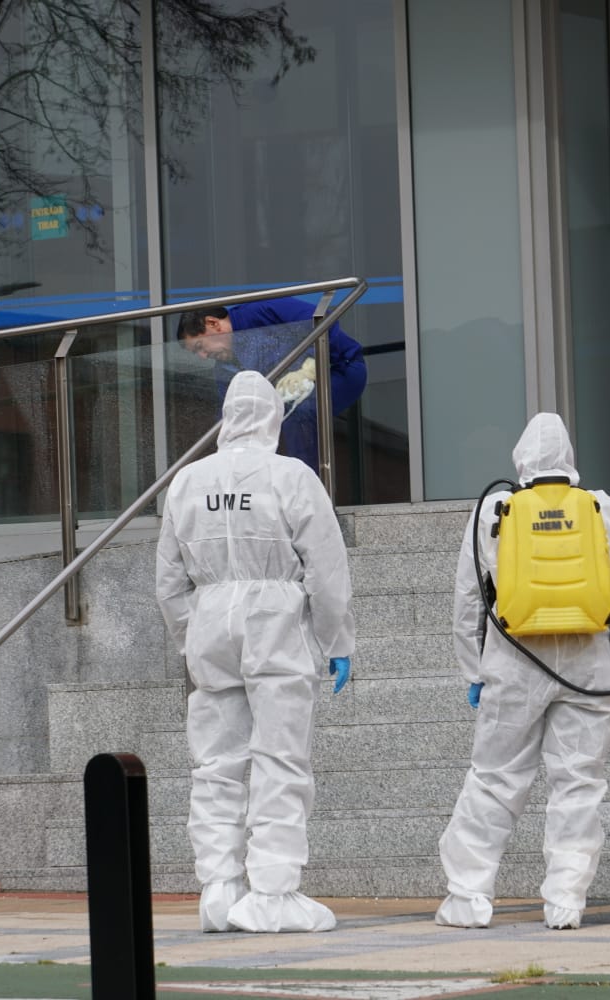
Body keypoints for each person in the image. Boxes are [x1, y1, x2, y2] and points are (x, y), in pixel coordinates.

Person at [155, 369, 356, 934]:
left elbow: (168, 581)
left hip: (211, 620)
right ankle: (272, 890)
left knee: (216, 764)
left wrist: (192, 636)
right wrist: (336, 639)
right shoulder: (291, 476)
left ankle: (219, 888)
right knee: (280, 757)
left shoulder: (188, 481)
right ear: (272, 418)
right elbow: (326, 569)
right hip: (276, 620)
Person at [435, 412, 610, 931]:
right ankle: (566, 902)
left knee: (494, 779)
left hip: (513, 660)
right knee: (578, 784)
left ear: (521, 459)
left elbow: (469, 599)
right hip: (588, 664)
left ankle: (468, 897)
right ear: (569, 459)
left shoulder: (493, 511)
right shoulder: (606, 510)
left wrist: (473, 670)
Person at [177, 296, 368, 473]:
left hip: (339, 367)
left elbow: (321, 320)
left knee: (297, 412)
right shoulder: (224, 369)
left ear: (213, 323)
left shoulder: (260, 310)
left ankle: (307, 480)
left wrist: (310, 364)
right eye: (196, 353)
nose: (203, 357)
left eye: (200, 346)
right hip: (288, 399)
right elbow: (230, 416)